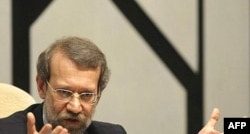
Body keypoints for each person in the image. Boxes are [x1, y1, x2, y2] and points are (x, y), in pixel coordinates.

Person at [0, 36, 222, 134]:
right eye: (65, 92)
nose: (75, 107)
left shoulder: (111, 133)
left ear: (99, 94)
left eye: (86, 95)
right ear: (41, 86)